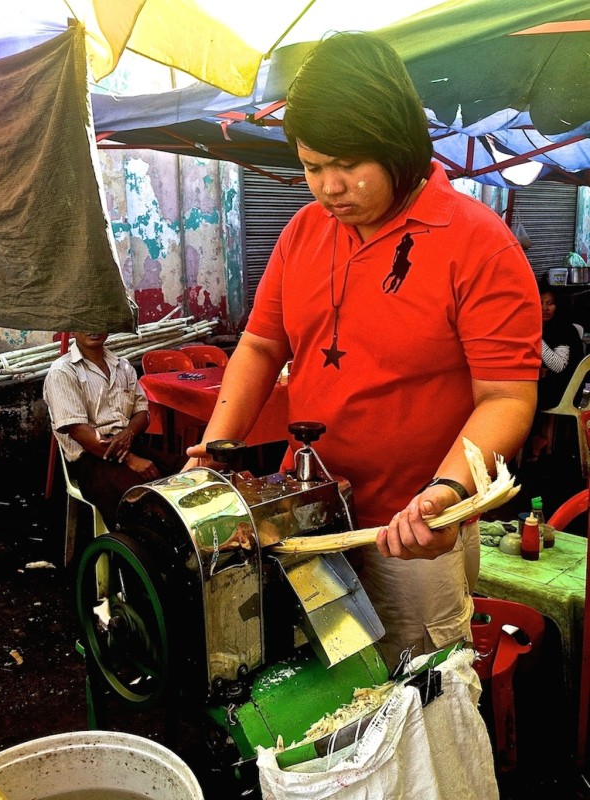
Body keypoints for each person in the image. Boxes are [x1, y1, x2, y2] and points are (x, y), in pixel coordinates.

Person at [184, 32, 541, 669]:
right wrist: (215, 450)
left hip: (409, 533)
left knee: (418, 694)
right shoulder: (302, 231)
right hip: (310, 512)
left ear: (397, 145)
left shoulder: (478, 243)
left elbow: (507, 396)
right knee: (326, 684)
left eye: (347, 164)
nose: (328, 187)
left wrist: (445, 494)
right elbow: (262, 346)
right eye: (312, 165)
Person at [44, 332, 184, 530]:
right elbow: (79, 432)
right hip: (93, 458)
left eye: (100, 321)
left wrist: (128, 434)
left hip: (131, 443)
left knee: (189, 473)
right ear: (73, 329)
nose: (94, 329)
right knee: (143, 501)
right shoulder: (63, 371)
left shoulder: (123, 365)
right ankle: (147, 555)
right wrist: (130, 460)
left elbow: (142, 412)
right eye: (86, 323)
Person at [527, 280, 584, 459]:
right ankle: (536, 438)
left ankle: (532, 441)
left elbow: (558, 366)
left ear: (558, 305)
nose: (545, 308)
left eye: (550, 303)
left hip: (565, 389)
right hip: (548, 383)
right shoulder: (544, 328)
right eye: (540, 302)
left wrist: (536, 337)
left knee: (521, 396)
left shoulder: (563, 329)